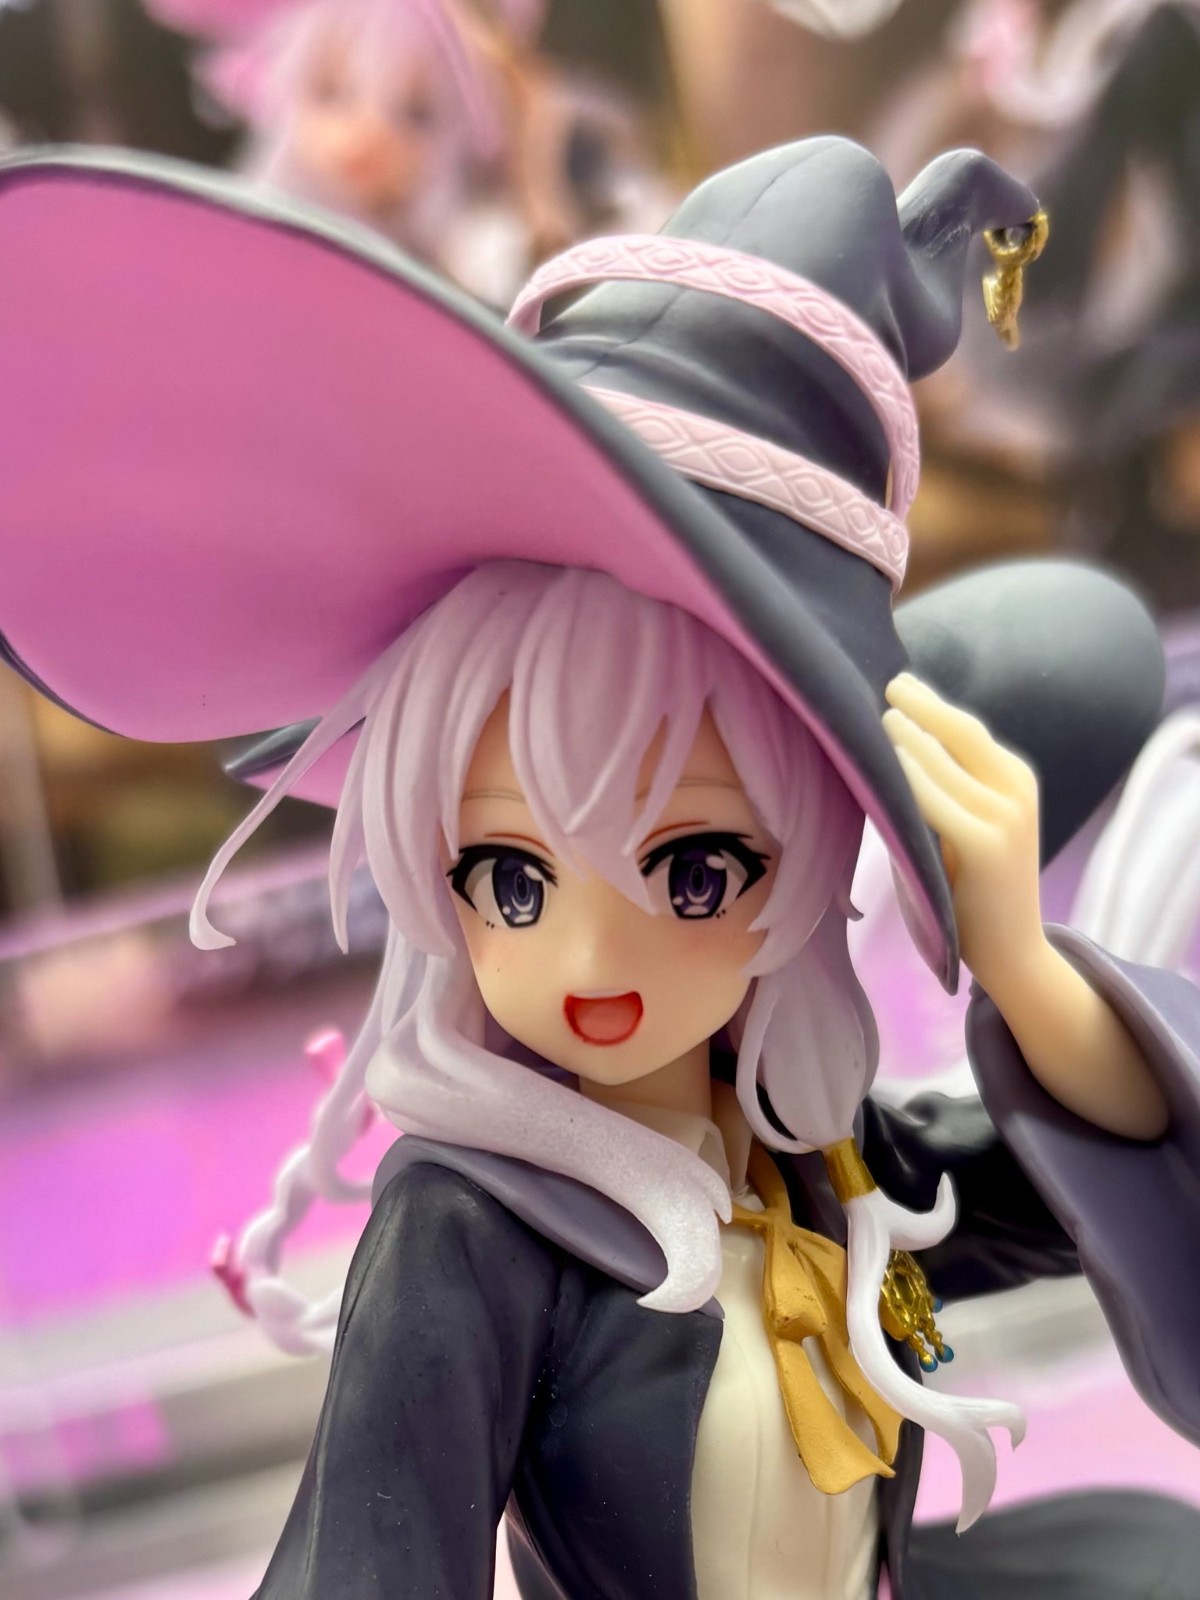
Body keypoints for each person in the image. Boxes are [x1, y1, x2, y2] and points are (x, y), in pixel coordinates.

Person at [1, 134, 1199, 1599]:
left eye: (694, 873)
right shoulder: (474, 1235)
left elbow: (1093, 1198)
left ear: (804, 857)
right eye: (510, 881)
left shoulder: (810, 1157)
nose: (587, 962)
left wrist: (1016, 959)